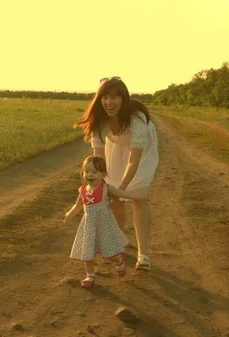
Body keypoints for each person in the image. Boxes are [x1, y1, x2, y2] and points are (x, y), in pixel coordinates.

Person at [74, 76, 159, 271]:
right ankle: (119, 242)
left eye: (114, 97)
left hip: (140, 153)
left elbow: (133, 160)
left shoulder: (137, 119)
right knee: (114, 200)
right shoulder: (99, 120)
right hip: (115, 151)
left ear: (123, 99)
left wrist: (120, 189)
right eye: (105, 97)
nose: (109, 102)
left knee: (138, 198)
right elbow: (99, 159)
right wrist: (101, 187)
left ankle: (143, 254)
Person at [64, 155, 149, 288]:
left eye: (94, 172)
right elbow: (78, 206)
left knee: (109, 253)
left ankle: (119, 261)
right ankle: (90, 275)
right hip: (88, 226)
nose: (90, 175)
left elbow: (123, 194)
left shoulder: (106, 189)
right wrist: (69, 215)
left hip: (104, 225)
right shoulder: (82, 191)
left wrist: (141, 195)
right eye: (87, 171)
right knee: (87, 251)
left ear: (103, 174)